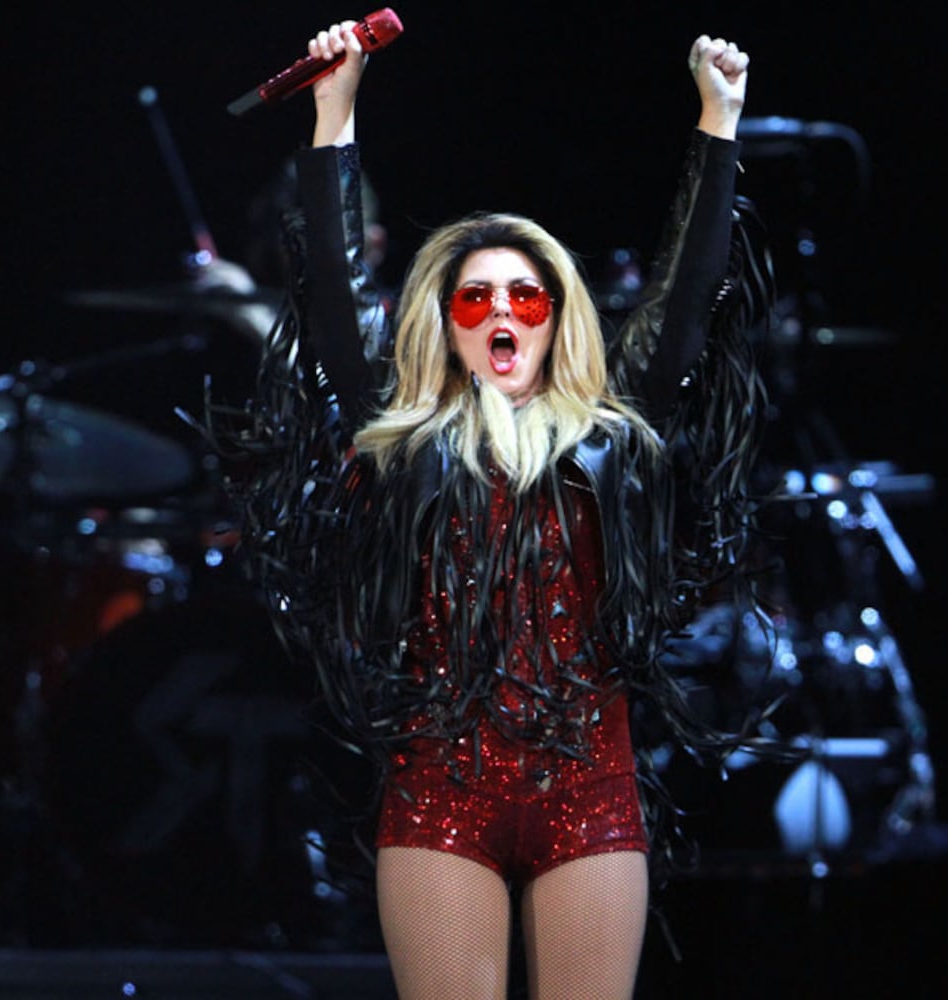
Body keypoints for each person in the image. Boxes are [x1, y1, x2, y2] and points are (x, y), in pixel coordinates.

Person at [224, 20, 775, 1000]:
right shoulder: (405, 436)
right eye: (475, 299)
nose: (504, 312)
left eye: (527, 295)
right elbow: (339, 301)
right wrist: (335, 112)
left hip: (589, 793)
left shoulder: (611, 433)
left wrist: (718, 123)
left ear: (558, 318)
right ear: (446, 325)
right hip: (442, 793)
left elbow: (685, 302)